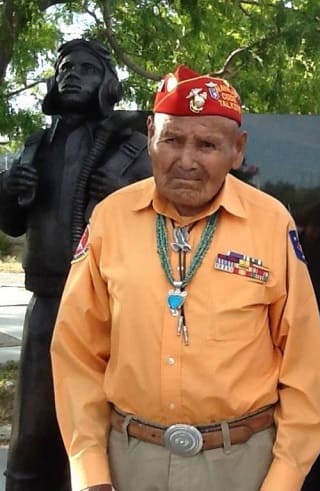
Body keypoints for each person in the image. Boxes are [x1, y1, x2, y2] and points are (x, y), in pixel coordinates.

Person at [50, 65, 320, 491]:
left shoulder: (271, 224)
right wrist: (91, 473)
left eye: (207, 144)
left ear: (238, 150)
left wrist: (284, 479)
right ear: (150, 135)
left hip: (242, 465)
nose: (187, 161)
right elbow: (77, 354)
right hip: (130, 460)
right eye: (172, 140)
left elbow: (304, 363)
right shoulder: (111, 218)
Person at [0, 38, 151, 491]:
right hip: (48, 300)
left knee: (100, 419)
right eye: (65, 67)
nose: (72, 74)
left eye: (86, 68)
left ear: (107, 83)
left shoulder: (131, 146)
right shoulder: (35, 145)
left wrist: (120, 187)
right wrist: (9, 189)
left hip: (112, 307)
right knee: (35, 417)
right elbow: (12, 226)